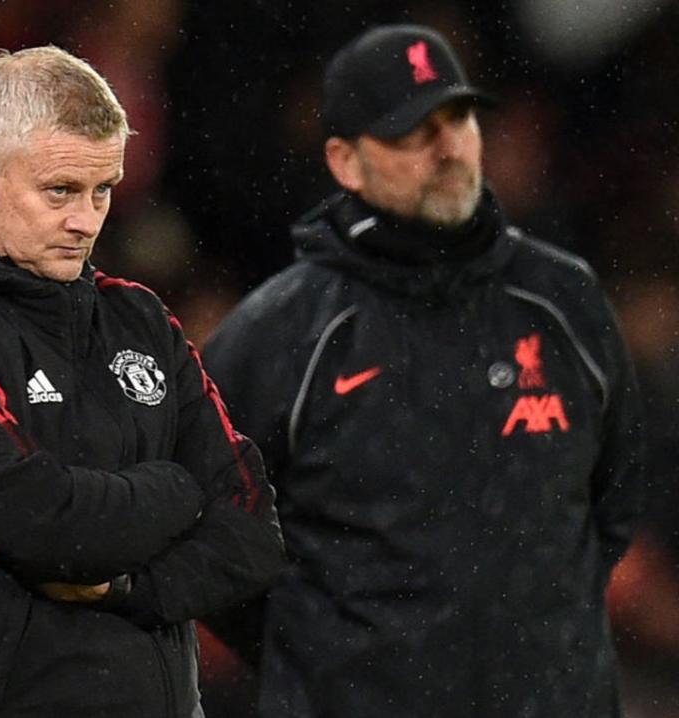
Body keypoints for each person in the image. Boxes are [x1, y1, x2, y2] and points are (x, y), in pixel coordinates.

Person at [202, 24, 645, 718]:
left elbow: (616, 502)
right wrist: (331, 660)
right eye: (413, 131)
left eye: (460, 117)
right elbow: (206, 539)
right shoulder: (283, 335)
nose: (450, 148)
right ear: (346, 162)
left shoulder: (563, 300)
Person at [0, 46, 283, 718]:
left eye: (102, 189)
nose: (85, 220)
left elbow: (252, 532)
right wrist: (176, 488)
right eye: (60, 190)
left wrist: (128, 588)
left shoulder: (138, 318)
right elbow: (51, 526)